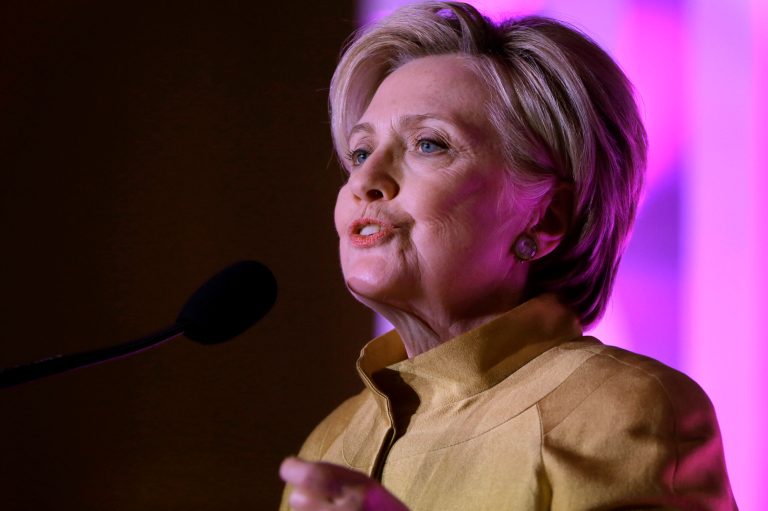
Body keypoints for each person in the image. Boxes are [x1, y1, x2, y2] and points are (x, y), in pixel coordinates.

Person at [278, 2, 737, 509]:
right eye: (361, 153)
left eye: (429, 145)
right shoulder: (332, 444)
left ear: (545, 219)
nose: (365, 181)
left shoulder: (623, 409)